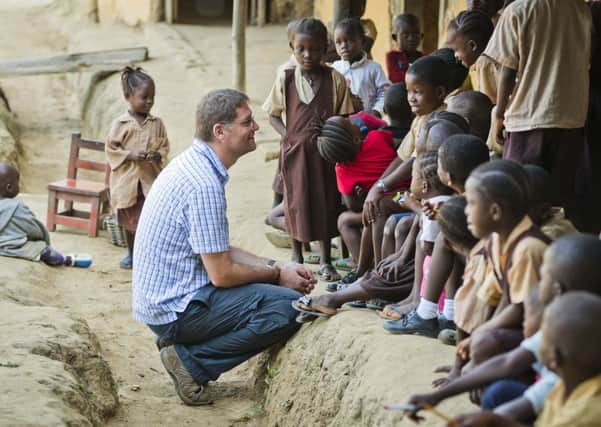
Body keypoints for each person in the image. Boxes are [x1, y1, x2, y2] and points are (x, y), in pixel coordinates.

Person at [132, 89, 316, 406]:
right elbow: (222, 274)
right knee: (288, 307)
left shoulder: (192, 166)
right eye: (247, 122)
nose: (256, 127)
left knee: (280, 292)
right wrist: (276, 277)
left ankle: (184, 346)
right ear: (220, 131)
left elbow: (216, 248)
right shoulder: (203, 184)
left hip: (164, 302)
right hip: (175, 310)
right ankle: (191, 361)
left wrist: (278, 266)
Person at [291, 151, 452, 318]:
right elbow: (419, 231)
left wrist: (403, 256)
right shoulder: (427, 205)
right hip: (423, 265)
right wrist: (400, 256)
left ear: (424, 186)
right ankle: (335, 298)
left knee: (392, 273)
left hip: (430, 271)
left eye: (413, 177)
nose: (410, 180)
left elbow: (426, 246)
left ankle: (332, 300)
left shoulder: (436, 208)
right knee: (383, 268)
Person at [485, 0, 593, 231]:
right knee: (557, 203)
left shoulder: (518, 10)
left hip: (529, 116)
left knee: (518, 200)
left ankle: (523, 259)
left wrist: (499, 114)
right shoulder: (580, 9)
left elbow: (507, 69)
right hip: (571, 118)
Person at [263, 17, 355, 282]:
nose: (307, 55)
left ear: (325, 49)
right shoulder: (286, 78)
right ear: (292, 47)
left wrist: (334, 141)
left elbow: (344, 116)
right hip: (294, 154)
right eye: (300, 49)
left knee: (326, 201)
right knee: (295, 202)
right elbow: (273, 114)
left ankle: (326, 260)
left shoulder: (334, 79)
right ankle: (297, 256)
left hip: (325, 156)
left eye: (314, 49)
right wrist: (287, 137)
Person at [446, 292, 601, 427]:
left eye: (543, 339)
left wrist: (494, 421)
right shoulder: (566, 385)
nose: (537, 343)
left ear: (555, 358)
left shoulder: (583, 413)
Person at [456, 160, 550, 365]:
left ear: (495, 212)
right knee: (481, 345)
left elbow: (520, 308)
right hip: (522, 327)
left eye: (471, 203)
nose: (465, 211)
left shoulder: (528, 248)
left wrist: (480, 335)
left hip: (548, 336)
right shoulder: (496, 241)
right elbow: (500, 299)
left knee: (486, 344)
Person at [106, 67, 169, 269]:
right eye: (144, 97)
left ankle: (147, 256)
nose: (149, 101)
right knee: (130, 221)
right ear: (128, 97)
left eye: (152, 97)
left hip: (149, 181)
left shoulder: (157, 123)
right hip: (127, 182)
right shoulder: (121, 123)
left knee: (148, 221)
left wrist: (157, 155)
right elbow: (110, 148)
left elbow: (164, 145)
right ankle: (132, 254)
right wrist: (130, 155)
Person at [0, 163, 90, 267]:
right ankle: (66, 260)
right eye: (17, 183)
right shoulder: (16, 208)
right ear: (9, 188)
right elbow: (34, 228)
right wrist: (43, 238)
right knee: (43, 250)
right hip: (14, 247)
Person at [332, 18, 390, 117]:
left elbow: (385, 92)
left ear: (362, 41)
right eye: (338, 42)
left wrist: (376, 112)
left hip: (369, 122)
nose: (343, 46)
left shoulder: (374, 68)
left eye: (348, 41)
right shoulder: (335, 69)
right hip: (341, 123)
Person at [447, 10, 496, 103]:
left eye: (456, 50)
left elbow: (486, 103)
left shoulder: (484, 63)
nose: (455, 56)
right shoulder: (474, 66)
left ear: (472, 46)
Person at [386, 13, 424, 84]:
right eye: (405, 34)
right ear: (395, 37)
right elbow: (396, 79)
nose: (411, 38)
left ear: (421, 37)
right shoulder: (392, 56)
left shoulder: (425, 57)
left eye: (415, 34)